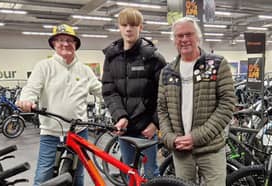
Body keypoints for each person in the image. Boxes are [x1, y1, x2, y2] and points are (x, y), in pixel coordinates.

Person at [16, 24, 102, 186]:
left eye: (70, 40)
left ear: (76, 44)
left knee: (78, 175)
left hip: (78, 132)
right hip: (51, 133)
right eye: (60, 40)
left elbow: (102, 91)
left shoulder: (84, 70)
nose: (65, 44)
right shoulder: (44, 67)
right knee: (43, 176)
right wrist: (27, 100)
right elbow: (31, 88)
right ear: (54, 44)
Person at [157, 17, 236, 186]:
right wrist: (170, 138)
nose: (184, 39)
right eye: (179, 36)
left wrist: (196, 137)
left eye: (189, 34)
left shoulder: (217, 64)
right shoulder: (167, 71)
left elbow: (227, 104)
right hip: (181, 151)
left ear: (198, 37)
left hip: (211, 148)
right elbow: (162, 109)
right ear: (174, 41)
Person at [101, 8, 166, 179]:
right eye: (124, 25)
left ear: (140, 28)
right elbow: (109, 90)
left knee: (151, 172)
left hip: (147, 129)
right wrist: (119, 117)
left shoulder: (154, 58)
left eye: (133, 25)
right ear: (119, 27)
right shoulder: (111, 57)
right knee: (129, 172)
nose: (128, 29)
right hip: (125, 128)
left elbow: (165, 94)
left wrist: (155, 124)